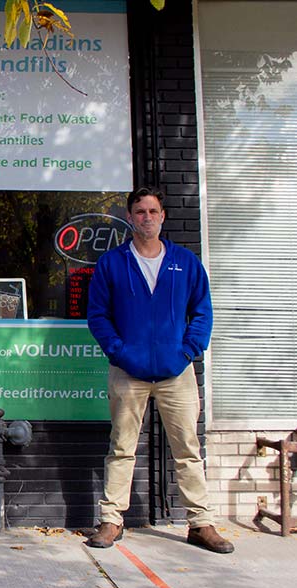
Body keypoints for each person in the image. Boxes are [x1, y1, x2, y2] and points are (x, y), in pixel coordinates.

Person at [85, 186, 233, 554]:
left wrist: (187, 352)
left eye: (153, 211)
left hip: (176, 373)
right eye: (139, 212)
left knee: (187, 448)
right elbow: (98, 315)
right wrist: (119, 352)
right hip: (127, 372)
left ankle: (200, 523)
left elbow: (202, 312)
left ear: (162, 216)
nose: (146, 217)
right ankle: (111, 520)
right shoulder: (112, 263)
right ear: (130, 217)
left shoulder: (186, 262)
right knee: (121, 447)